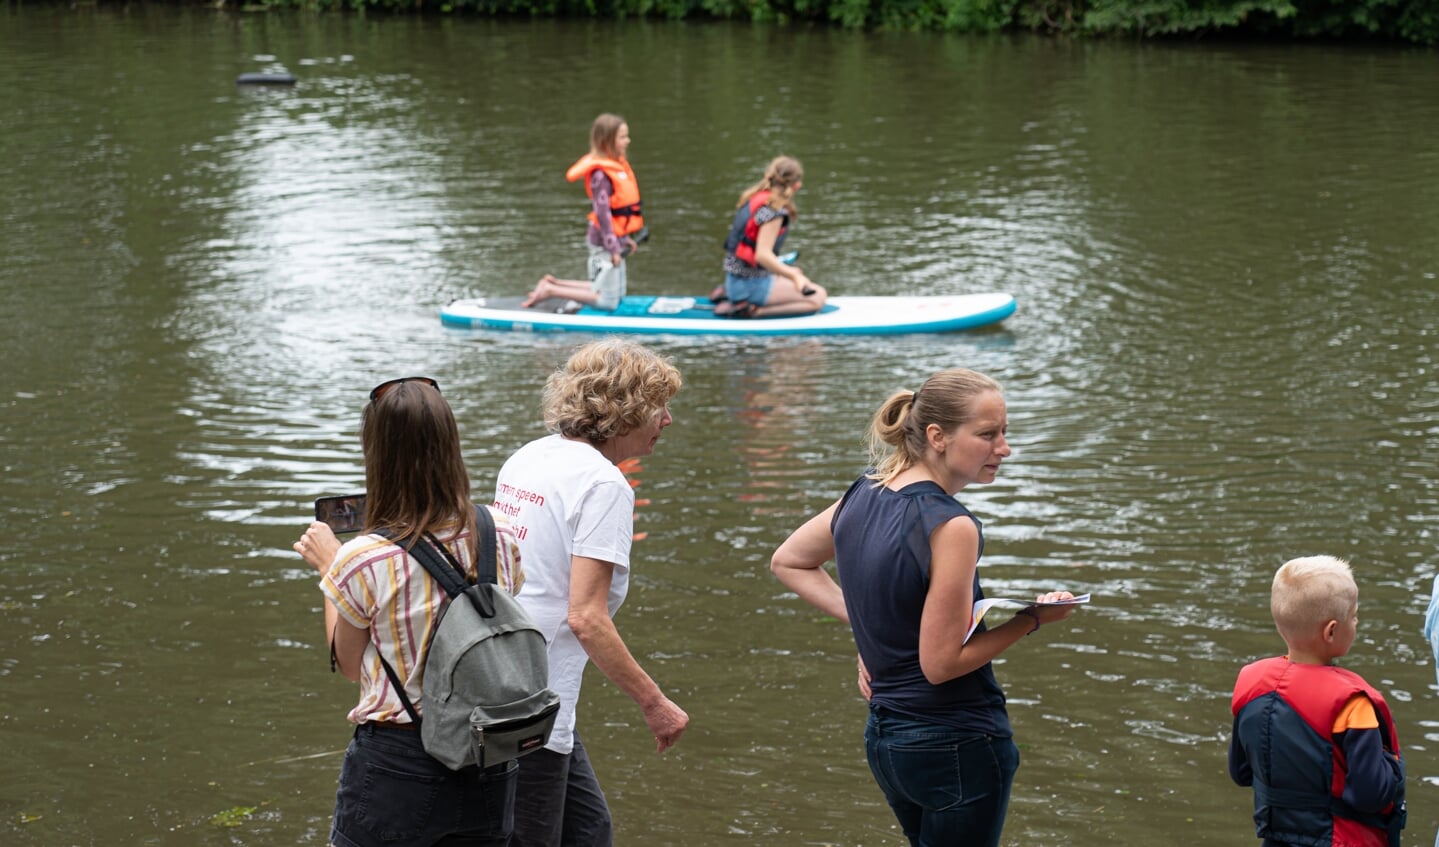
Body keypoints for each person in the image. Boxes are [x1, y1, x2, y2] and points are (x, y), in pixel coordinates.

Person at [770, 368, 1078, 847]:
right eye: (988, 435)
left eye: (1005, 433)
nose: (1004, 448)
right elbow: (941, 665)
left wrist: (876, 626)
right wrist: (1032, 618)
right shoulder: (953, 526)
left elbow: (789, 561)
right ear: (937, 436)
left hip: (886, 740)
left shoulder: (865, 491)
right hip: (957, 742)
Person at [294, 376, 526, 847]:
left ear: (377, 455)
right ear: (450, 443)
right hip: (488, 757)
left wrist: (330, 566)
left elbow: (350, 666)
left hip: (400, 763)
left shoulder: (364, 557)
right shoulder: (498, 531)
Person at [492, 339, 689, 847]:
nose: (667, 420)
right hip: (537, 696)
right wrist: (654, 702)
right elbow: (586, 617)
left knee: (589, 830)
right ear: (624, 411)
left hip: (502, 678)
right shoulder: (603, 485)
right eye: (658, 407)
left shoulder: (528, 457)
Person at [1228, 555, 1406, 847]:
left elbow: (1241, 772)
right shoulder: (1354, 706)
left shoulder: (1250, 685)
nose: (1357, 622)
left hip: (1277, 838)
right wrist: (1393, 766)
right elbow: (1369, 795)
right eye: (1354, 616)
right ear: (1331, 630)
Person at [522, 114, 645, 312]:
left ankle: (553, 283)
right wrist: (614, 248)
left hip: (616, 239)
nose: (627, 141)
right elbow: (603, 214)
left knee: (617, 294)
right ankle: (551, 291)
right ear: (607, 141)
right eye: (622, 137)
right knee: (608, 301)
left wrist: (624, 239)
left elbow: (617, 215)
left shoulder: (618, 167)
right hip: (603, 243)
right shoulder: (600, 174)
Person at [714, 155, 826, 319]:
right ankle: (752, 310)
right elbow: (762, 255)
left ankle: (732, 293)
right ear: (796, 185)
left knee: (797, 272)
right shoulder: (773, 212)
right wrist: (793, 276)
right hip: (747, 286)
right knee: (818, 297)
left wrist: (790, 272)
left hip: (736, 278)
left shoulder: (755, 197)